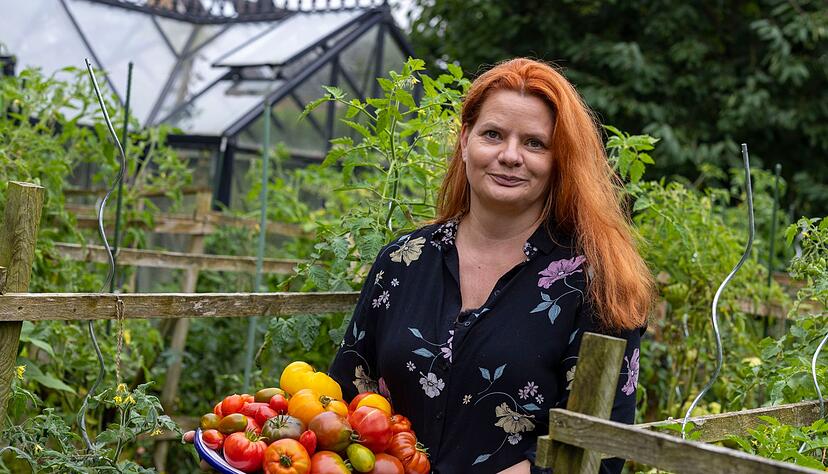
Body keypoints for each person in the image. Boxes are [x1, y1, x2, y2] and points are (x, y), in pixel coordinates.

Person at [327, 58, 654, 474]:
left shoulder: (592, 283)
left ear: (560, 159)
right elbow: (344, 396)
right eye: (493, 134)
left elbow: (599, 448)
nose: (510, 155)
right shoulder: (402, 262)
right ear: (465, 141)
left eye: (535, 143)